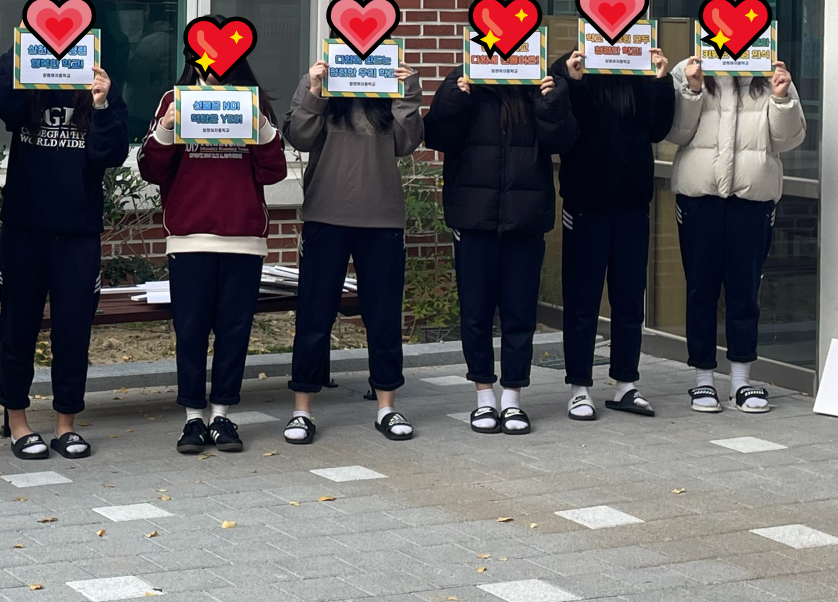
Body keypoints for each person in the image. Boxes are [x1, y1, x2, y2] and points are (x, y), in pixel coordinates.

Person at [0, 0, 130, 460]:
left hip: (78, 233)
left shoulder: (97, 83)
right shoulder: (24, 77)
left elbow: (112, 154)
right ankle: (18, 421)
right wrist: (21, 55)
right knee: (17, 329)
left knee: (72, 332)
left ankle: (67, 423)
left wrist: (101, 105)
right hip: (25, 228)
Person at [137, 49, 288, 455]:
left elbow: (275, 171)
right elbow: (150, 169)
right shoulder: (174, 99)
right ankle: (192, 417)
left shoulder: (254, 102)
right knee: (190, 331)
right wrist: (167, 128)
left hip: (243, 237)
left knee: (234, 332)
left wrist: (261, 126)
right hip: (189, 237)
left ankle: (222, 415)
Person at [422, 64, 576, 434]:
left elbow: (564, 142)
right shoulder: (465, 79)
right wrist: (453, 97)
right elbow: (436, 136)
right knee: (475, 313)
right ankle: (484, 397)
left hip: (525, 217)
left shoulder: (538, 83)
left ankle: (512, 398)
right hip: (474, 218)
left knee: (519, 314)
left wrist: (551, 101)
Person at [282, 56, 424, 442]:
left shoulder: (391, 82)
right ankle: (302, 410)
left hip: (382, 218)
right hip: (325, 214)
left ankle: (387, 407)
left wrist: (407, 91)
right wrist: (315, 90)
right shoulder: (319, 79)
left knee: (383, 316)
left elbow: (407, 143)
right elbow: (299, 137)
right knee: (314, 315)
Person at [668, 34, 805, 413]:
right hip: (699, 198)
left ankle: (742, 381)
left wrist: (781, 98)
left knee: (745, 291)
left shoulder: (770, 72)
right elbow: (675, 132)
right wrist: (693, 90)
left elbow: (789, 139)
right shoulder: (688, 70)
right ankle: (703, 380)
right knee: (701, 290)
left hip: (752, 199)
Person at [551, 44, 676, 421]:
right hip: (585, 204)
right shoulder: (572, 64)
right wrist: (573, 81)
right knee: (582, 299)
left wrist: (660, 82)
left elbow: (658, 129)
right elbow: (563, 129)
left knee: (629, 300)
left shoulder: (637, 65)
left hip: (632, 203)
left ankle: (626, 383)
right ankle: (579, 388)